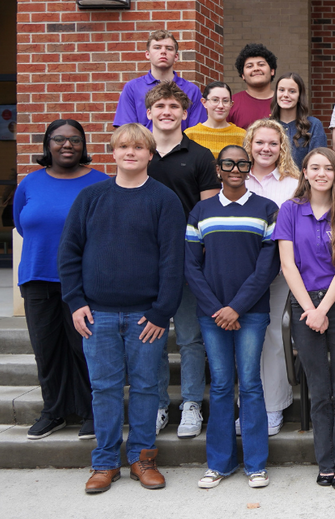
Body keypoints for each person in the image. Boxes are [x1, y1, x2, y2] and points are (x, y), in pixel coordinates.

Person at [60, 124, 185, 494]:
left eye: (138, 147)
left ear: (150, 154)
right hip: (97, 314)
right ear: (112, 153)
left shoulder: (164, 200)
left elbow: (173, 260)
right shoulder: (90, 197)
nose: (130, 152)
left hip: (145, 315)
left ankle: (143, 459)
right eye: (123, 146)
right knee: (104, 388)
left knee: (147, 387)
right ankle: (104, 462)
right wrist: (76, 302)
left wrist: (163, 311)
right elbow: (69, 253)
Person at [186, 145, 279, 490]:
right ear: (219, 169)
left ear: (249, 168)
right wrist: (217, 308)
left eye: (243, 163)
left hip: (250, 313)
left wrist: (236, 307)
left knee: (251, 385)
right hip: (212, 314)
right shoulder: (201, 210)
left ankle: (255, 465)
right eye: (229, 163)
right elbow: (191, 266)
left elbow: (267, 267)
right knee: (222, 385)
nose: (236, 169)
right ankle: (219, 464)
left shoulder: (266, 209)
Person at [14, 119, 109, 441]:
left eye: (75, 140)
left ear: (84, 146)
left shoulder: (100, 182)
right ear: (47, 145)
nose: (67, 145)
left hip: (84, 282)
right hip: (37, 277)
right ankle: (52, 411)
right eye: (59, 139)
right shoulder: (30, 183)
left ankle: (91, 411)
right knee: (47, 348)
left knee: (85, 348)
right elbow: (23, 224)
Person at [276, 148, 335, 489]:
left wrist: (323, 309)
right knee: (318, 386)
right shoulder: (290, 211)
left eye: (328, 168)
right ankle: (325, 461)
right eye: (315, 167)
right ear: (305, 173)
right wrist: (309, 310)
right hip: (302, 303)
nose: (322, 173)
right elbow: (287, 265)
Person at [144, 81, 220, 439]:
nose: (167, 113)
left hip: (189, 260)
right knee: (153, 337)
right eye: (160, 107)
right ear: (149, 113)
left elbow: (208, 212)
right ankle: (159, 405)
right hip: (147, 262)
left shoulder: (201, 155)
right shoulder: (138, 153)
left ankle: (191, 404)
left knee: (190, 338)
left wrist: (201, 257)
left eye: (174, 107)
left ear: (185, 113)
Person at [242, 119, 300, 435]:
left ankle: (273, 407)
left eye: (273, 144)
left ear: (282, 148)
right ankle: (249, 406)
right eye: (260, 142)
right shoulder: (236, 178)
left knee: (274, 335)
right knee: (243, 340)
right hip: (238, 274)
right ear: (250, 144)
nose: (266, 149)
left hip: (278, 272)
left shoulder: (292, 184)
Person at [113, 30, 205, 130]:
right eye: (157, 47)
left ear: (176, 56)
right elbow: (126, 131)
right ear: (148, 54)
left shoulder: (192, 90)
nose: (163, 52)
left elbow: (196, 133)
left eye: (169, 48)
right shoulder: (132, 88)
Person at [271, 73, 327, 168]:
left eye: (292, 91)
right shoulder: (266, 126)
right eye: (281, 90)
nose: (285, 95)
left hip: (302, 181)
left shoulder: (313, 125)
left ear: (299, 96)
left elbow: (318, 162)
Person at [184, 81, 247, 158]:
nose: (220, 105)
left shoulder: (242, 136)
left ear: (231, 104)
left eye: (225, 101)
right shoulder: (190, 135)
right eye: (215, 100)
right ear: (204, 102)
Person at [227, 43, 278, 130]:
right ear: (243, 75)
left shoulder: (284, 101)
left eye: (261, 65)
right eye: (250, 66)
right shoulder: (230, 103)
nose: (256, 69)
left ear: (272, 71)